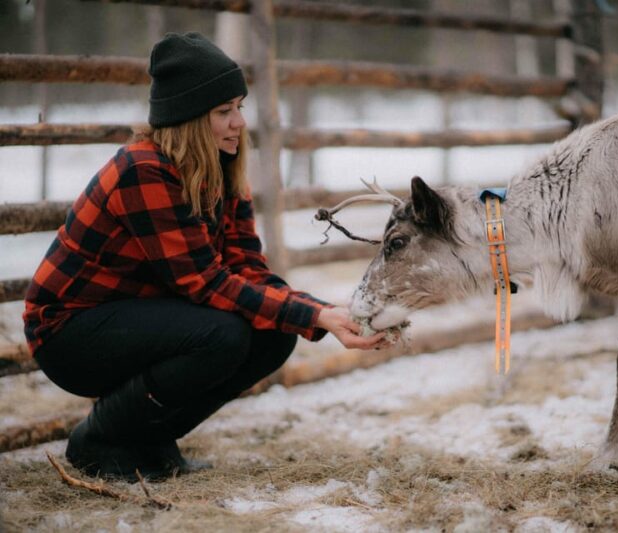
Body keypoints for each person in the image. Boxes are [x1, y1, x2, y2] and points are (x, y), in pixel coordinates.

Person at [22, 32, 383, 482]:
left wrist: (320, 312)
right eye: (223, 111)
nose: (239, 123)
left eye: (240, 107)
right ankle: (98, 439)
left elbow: (247, 267)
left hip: (140, 319)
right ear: (189, 117)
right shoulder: (143, 171)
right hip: (68, 332)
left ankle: (150, 439)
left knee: (275, 334)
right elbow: (204, 283)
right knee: (223, 335)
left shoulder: (222, 167)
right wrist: (316, 315)